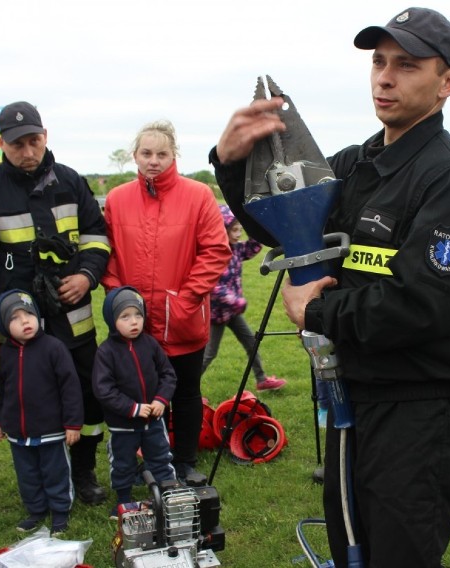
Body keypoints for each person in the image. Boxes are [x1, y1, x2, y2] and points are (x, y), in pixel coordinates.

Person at [211, 8, 450, 566]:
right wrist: (229, 161)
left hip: (414, 412)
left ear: (447, 82)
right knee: (347, 549)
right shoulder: (358, 164)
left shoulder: (449, 180)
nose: (385, 77)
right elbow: (283, 227)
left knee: (395, 554)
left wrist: (318, 311)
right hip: (347, 398)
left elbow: (424, 305)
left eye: (407, 65)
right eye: (379, 62)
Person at [0, 101, 110, 505]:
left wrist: (86, 276)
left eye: (34, 141)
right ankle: (43, 479)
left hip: (75, 321)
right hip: (23, 328)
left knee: (87, 397)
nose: (27, 151)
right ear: (2, 146)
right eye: (17, 144)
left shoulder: (72, 182)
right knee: (33, 401)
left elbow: (96, 235)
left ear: (46, 136)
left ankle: (85, 471)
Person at [102, 120, 231, 486]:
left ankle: (185, 460)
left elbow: (215, 249)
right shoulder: (117, 199)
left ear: (174, 154)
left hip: (183, 317)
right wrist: (117, 299)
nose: (154, 161)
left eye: (162, 153)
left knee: (186, 391)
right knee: (138, 393)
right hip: (134, 321)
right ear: (135, 155)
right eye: (147, 153)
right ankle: (144, 460)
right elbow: (108, 255)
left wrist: (188, 298)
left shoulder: (198, 195)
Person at [0, 289, 83, 535]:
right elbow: (0, 389)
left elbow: (70, 387)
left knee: (55, 472)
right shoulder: (6, 354)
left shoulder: (54, 348)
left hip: (50, 430)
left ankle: (60, 512)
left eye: (28, 314)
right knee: (28, 475)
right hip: (18, 433)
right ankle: (36, 510)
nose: (24, 321)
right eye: (14, 318)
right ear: (2, 325)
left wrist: (73, 423)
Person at [92, 286, 176, 518]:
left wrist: (161, 399)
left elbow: (168, 375)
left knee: (160, 457)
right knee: (122, 463)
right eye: (125, 316)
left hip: (154, 421)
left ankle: (167, 495)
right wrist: (132, 408)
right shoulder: (106, 352)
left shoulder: (150, 344)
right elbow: (103, 390)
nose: (134, 322)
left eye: (138, 315)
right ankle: (124, 500)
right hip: (123, 425)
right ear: (111, 319)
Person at [201, 205, 286, 392]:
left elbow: (255, 246)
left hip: (232, 312)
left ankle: (262, 380)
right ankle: (188, 388)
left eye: (240, 229)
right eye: (234, 230)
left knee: (251, 342)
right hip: (217, 314)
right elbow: (213, 286)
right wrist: (235, 300)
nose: (238, 234)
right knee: (209, 353)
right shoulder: (213, 253)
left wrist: (248, 221)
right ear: (222, 229)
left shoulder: (237, 250)